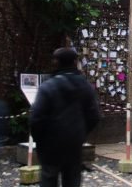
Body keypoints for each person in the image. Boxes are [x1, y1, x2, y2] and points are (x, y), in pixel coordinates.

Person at [30, 47, 101, 187]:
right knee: (72, 178)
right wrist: (81, 133)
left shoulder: (48, 86)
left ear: (56, 62)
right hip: (74, 142)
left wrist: (40, 140)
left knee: (49, 177)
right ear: (75, 62)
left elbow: (36, 118)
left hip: (50, 142)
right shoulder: (85, 86)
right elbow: (94, 115)